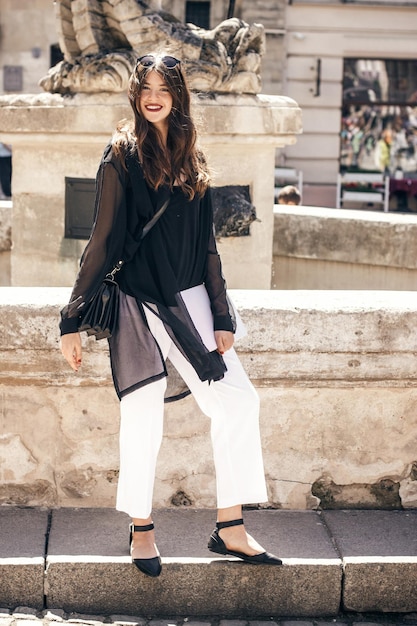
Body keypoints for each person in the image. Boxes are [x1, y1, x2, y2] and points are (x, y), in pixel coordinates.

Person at [60, 53, 282, 578]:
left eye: (164, 87)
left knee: (237, 403)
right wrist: (71, 318)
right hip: (139, 303)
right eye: (145, 87)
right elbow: (101, 239)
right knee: (143, 419)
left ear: (179, 95)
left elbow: (207, 247)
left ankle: (230, 526)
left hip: (193, 302)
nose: (153, 95)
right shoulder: (120, 156)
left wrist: (222, 315)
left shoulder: (192, 157)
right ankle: (142, 527)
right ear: (136, 95)